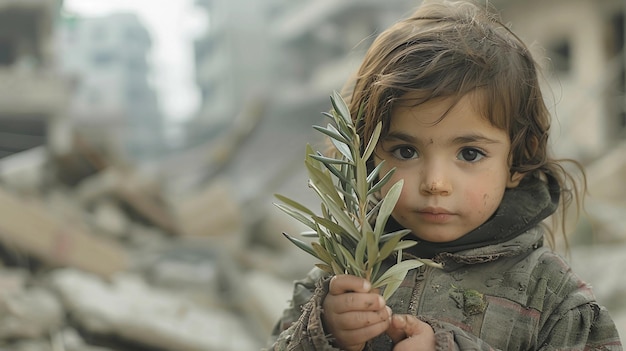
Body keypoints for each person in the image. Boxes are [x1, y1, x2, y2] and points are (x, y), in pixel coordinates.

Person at [267, 0, 623, 350]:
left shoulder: (551, 298)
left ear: (517, 160)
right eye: (406, 151)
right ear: (366, 155)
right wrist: (324, 333)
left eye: (470, 154)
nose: (435, 182)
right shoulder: (340, 278)